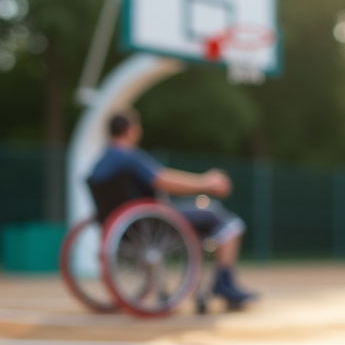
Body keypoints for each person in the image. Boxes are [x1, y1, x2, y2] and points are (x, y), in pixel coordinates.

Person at [88, 109, 257, 306]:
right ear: (132, 130)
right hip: (154, 223)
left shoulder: (100, 163)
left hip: (127, 228)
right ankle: (224, 282)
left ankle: (223, 282)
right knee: (223, 218)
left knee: (205, 211)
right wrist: (205, 183)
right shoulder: (129, 157)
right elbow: (162, 179)